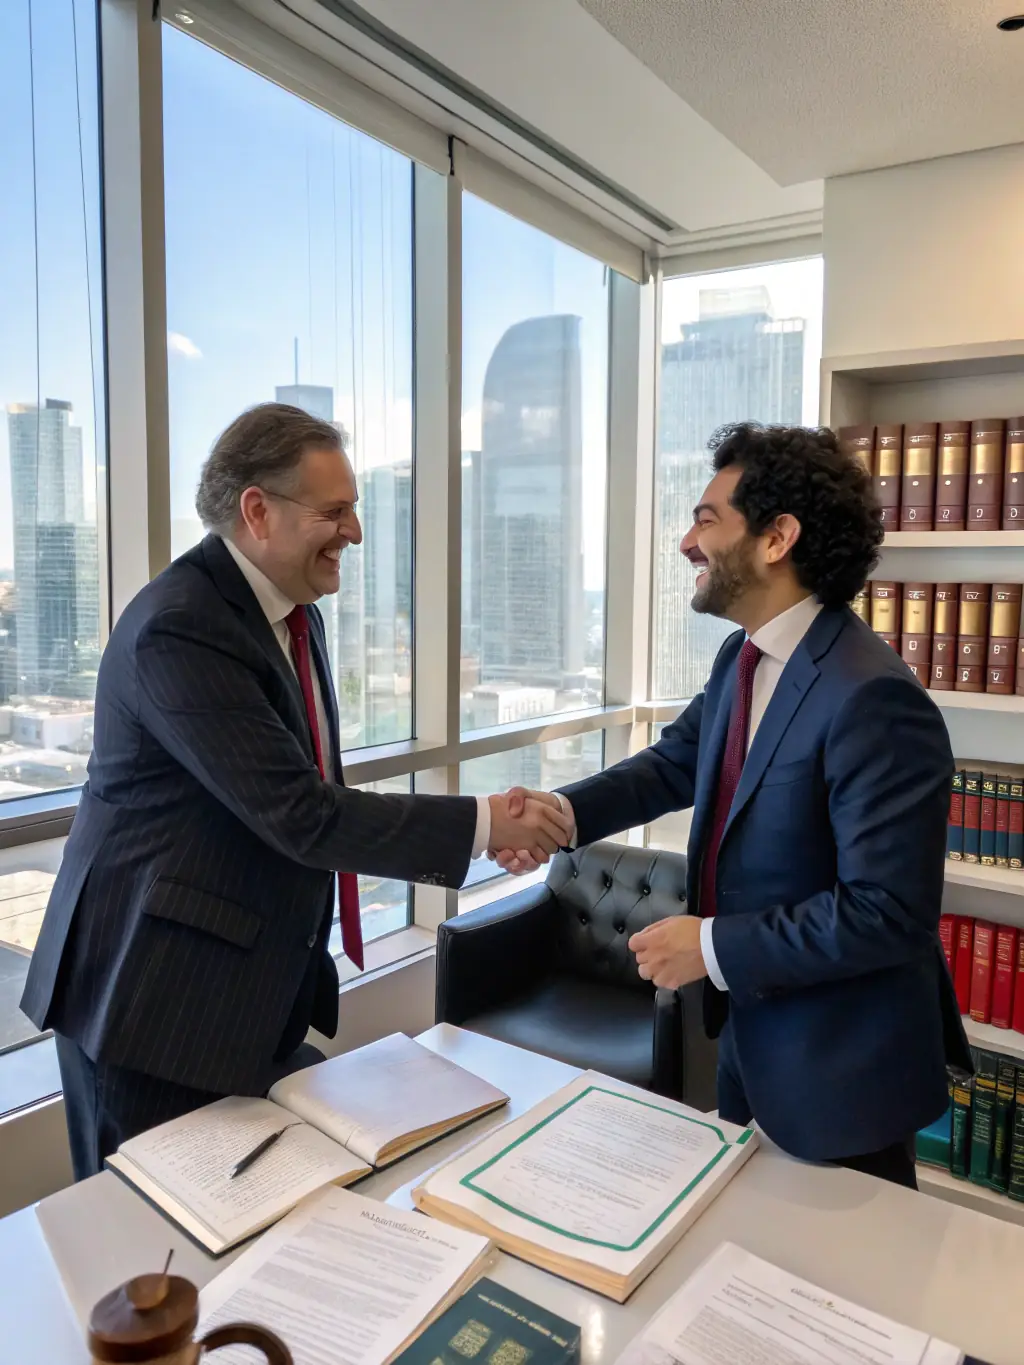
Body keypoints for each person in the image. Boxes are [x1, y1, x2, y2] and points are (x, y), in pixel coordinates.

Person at [21, 403, 570, 1180]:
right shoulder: (182, 628)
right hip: (153, 1005)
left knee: (257, 1233)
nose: (353, 531)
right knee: (159, 1264)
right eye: (336, 511)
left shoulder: (292, 616)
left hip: (244, 992)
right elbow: (300, 813)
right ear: (257, 510)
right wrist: (485, 823)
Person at [492, 422, 971, 1188]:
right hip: (750, 1042)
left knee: (828, 1300)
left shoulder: (872, 696)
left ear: (778, 537)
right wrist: (556, 815)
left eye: (707, 518)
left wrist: (710, 946)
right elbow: (672, 763)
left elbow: (886, 911)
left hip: (839, 1070)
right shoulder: (742, 658)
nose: (687, 541)